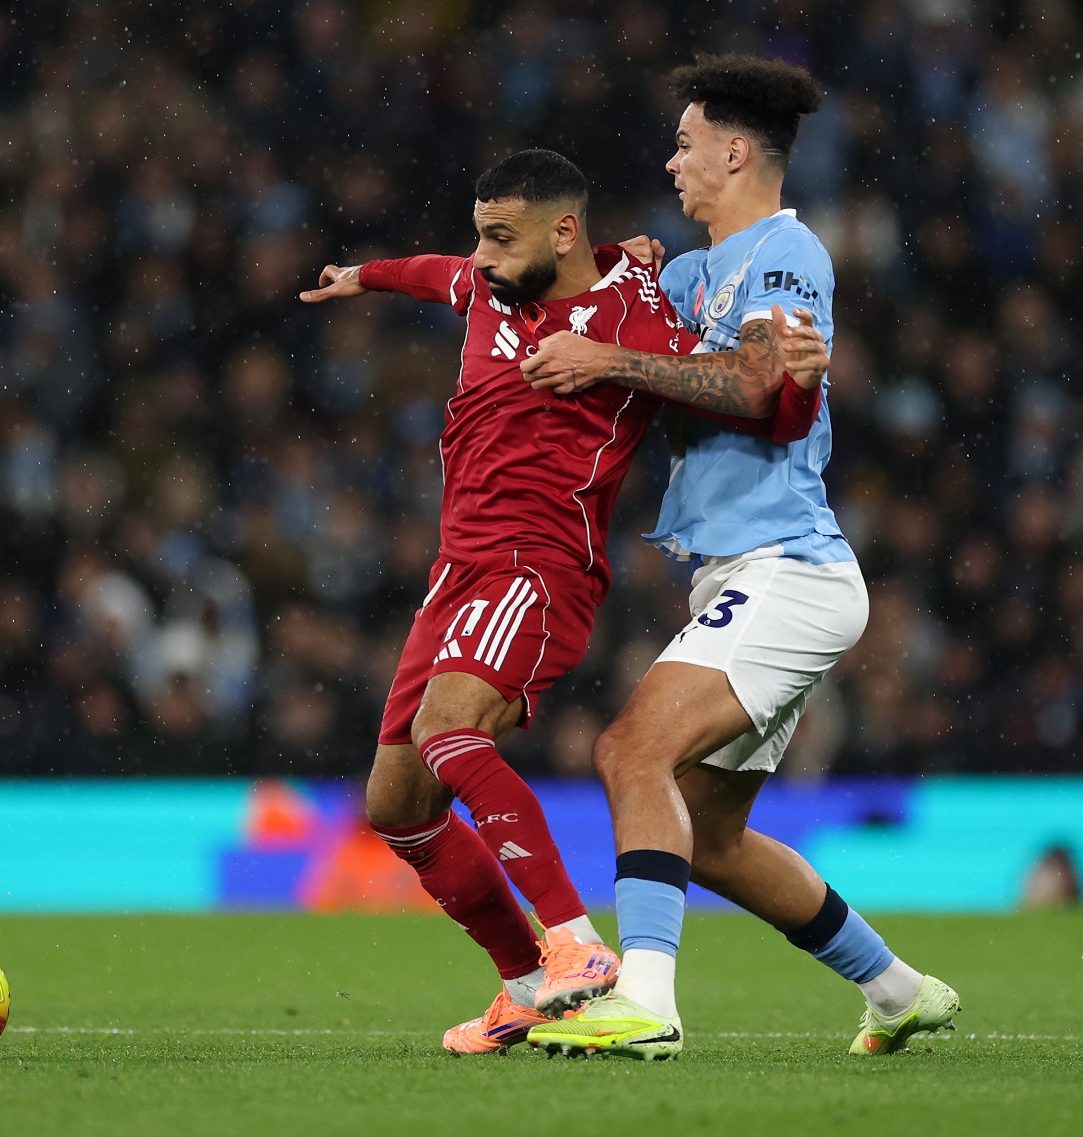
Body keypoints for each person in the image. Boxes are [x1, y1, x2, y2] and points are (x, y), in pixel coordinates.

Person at [300, 148, 829, 1053]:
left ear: (563, 232)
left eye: (502, 239)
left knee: (449, 730)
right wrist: (366, 277)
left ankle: (576, 944)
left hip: (535, 563)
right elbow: (438, 275)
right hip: (456, 571)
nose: (485, 258)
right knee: (396, 804)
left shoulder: (637, 314)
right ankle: (524, 983)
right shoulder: (485, 285)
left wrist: (797, 390)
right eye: (480, 237)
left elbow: (744, 401)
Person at [522, 56, 961, 1060]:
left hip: (789, 569)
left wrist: (613, 356)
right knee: (709, 838)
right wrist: (611, 280)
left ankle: (645, 1002)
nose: (671, 162)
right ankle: (897, 991)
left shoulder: (786, 252)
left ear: (733, 149)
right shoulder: (685, 273)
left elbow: (758, 386)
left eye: (684, 143)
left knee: (629, 750)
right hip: (738, 573)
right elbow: (601, 334)